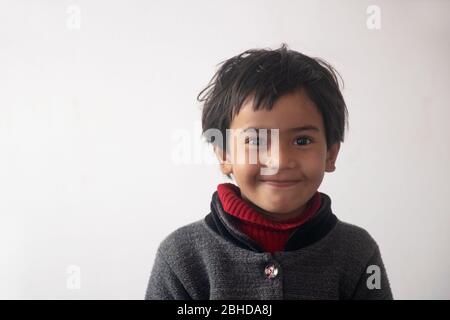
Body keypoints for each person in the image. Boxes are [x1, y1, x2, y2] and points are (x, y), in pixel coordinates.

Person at [145, 44, 393, 300]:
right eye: (255, 141)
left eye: (302, 141)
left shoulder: (358, 253)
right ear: (224, 155)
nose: (279, 160)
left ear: (331, 154)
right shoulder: (181, 257)